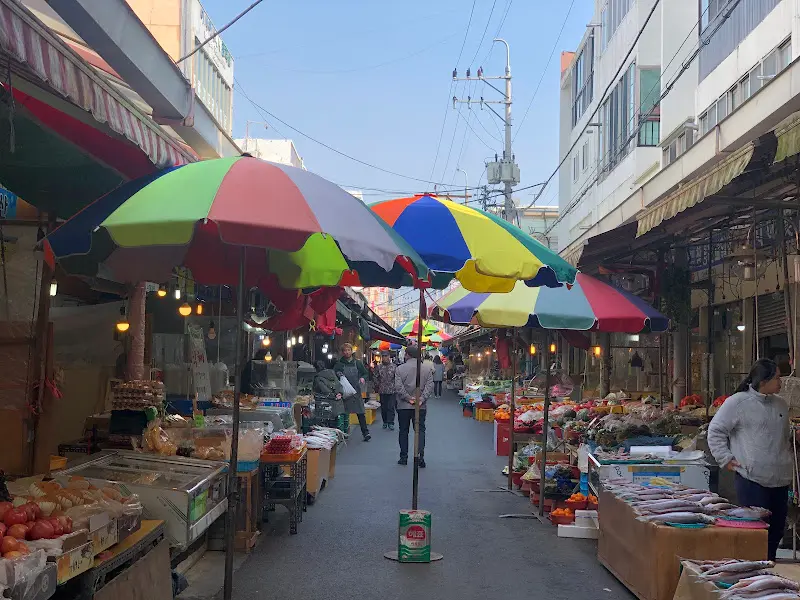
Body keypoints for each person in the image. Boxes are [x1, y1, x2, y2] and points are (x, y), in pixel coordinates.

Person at [707, 358, 792, 561]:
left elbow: (782, 437)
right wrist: (725, 458)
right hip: (752, 479)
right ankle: (751, 573)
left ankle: (769, 569)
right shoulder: (738, 402)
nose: (781, 382)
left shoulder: (781, 404)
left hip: (780, 479)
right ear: (764, 380)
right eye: (778, 378)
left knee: (776, 531)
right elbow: (716, 431)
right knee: (755, 533)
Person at [394, 345, 434, 467]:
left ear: (407, 355)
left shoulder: (400, 369)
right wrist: (421, 399)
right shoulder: (427, 369)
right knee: (420, 430)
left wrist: (408, 398)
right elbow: (429, 386)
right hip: (420, 406)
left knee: (403, 431)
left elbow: (398, 387)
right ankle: (420, 457)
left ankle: (403, 457)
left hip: (404, 406)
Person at [333, 343, 371, 441]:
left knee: (361, 413)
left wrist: (362, 378)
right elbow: (334, 376)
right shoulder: (339, 364)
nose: (347, 352)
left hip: (356, 392)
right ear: (342, 352)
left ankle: (365, 433)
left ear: (351, 351)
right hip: (344, 393)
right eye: (345, 350)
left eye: (348, 350)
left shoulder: (357, 363)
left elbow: (365, 373)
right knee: (344, 413)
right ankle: (344, 433)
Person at [373, 351, 398, 430]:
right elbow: (374, 376)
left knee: (391, 407)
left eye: (386, 356)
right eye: (383, 356)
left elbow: (397, 377)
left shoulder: (394, 367)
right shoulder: (379, 367)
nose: (385, 358)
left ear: (389, 357)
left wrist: (397, 386)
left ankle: (391, 422)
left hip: (392, 390)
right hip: (382, 390)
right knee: (384, 407)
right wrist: (377, 384)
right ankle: (385, 421)